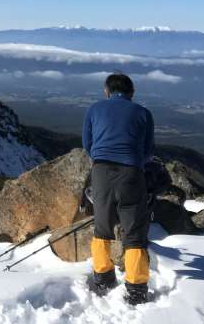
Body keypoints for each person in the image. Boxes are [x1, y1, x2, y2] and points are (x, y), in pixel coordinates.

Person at [82, 73, 155, 305]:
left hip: (101, 171)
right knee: (134, 232)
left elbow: (88, 144)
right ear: (132, 93)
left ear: (107, 91)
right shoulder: (143, 113)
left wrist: (102, 159)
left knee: (101, 225)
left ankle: (103, 277)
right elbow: (148, 150)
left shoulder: (94, 109)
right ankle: (136, 288)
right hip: (132, 173)